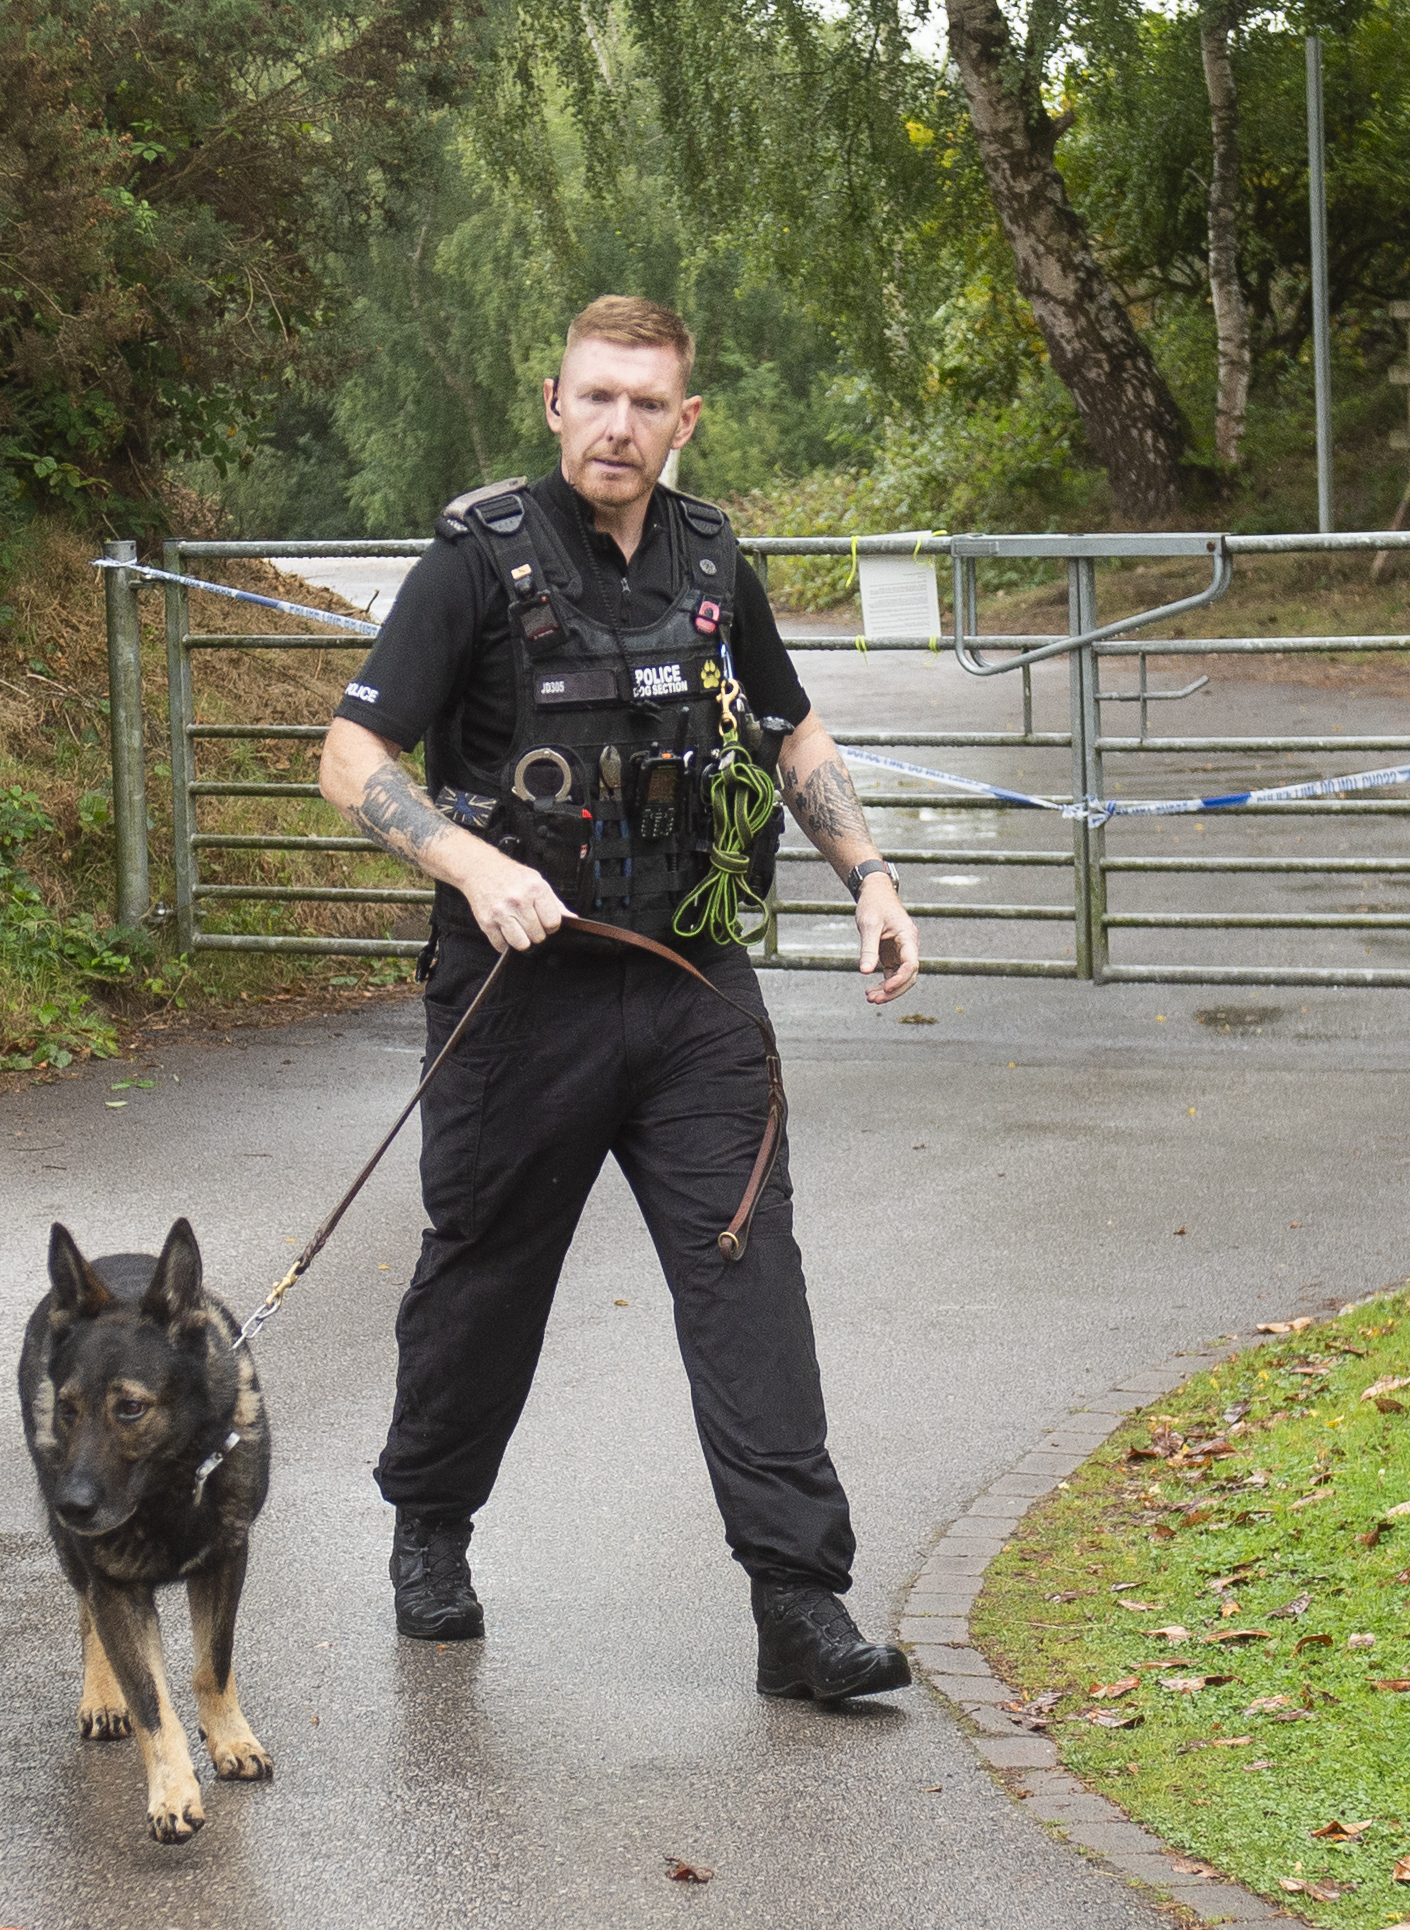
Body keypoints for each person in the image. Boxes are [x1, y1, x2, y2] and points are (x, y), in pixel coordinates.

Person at [314, 295, 921, 1702]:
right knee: (485, 1270)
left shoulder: (715, 558)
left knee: (746, 1267)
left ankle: (798, 1604)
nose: (619, 424)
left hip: (691, 980)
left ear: (685, 418)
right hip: (519, 992)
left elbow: (788, 724)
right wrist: (468, 863)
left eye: (648, 404)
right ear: (553, 402)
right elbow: (351, 756)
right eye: (596, 397)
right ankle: (433, 1527)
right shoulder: (476, 560)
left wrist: (870, 874)